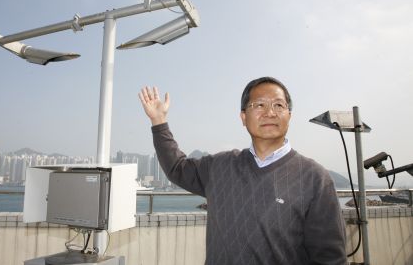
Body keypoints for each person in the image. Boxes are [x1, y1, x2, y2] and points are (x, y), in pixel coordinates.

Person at [138, 77, 346, 265]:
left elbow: (330, 259)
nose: (269, 112)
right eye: (259, 105)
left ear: (289, 116)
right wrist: (159, 122)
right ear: (243, 117)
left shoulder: (314, 178)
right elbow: (177, 168)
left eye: (278, 105)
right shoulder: (219, 166)